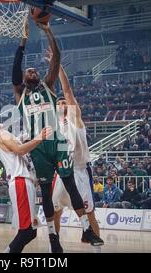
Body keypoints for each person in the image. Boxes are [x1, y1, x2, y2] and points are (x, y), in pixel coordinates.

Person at [12, 20, 92, 252]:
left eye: (34, 70)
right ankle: (53, 239)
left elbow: (56, 56)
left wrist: (47, 30)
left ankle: (86, 229)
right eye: (29, 72)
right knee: (46, 196)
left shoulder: (48, 85)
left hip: (56, 145)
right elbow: (16, 68)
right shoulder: (20, 94)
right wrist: (23, 41)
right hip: (39, 148)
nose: (32, 71)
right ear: (24, 80)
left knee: (67, 187)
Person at [50, 48, 103, 246]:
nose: (62, 103)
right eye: (59, 103)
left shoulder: (75, 118)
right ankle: (54, 247)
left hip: (80, 170)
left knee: (90, 214)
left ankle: (96, 245)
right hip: (62, 172)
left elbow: (67, 91)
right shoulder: (54, 126)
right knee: (55, 212)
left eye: (64, 102)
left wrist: (58, 66)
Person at [0, 123, 50, 253]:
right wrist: (39, 137)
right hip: (20, 182)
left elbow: (21, 145)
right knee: (27, 231)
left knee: (31, 232)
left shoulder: (8, 136)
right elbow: (20, 150)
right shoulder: (2, 135)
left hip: (25, 182)